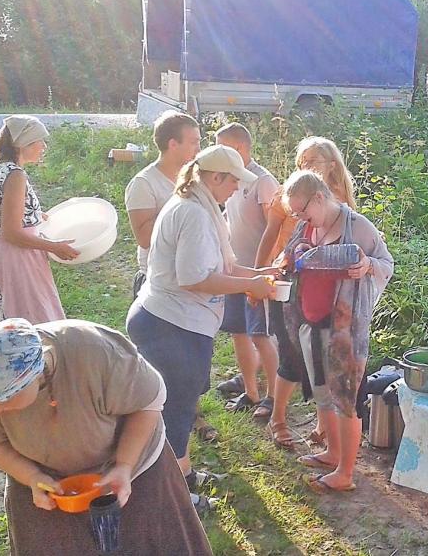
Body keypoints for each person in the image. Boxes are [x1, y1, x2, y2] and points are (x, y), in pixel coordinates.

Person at [0, 318, 213, 555]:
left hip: (135, 469)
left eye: (4, 399)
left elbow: (148, 401)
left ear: (35, 374)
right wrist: (30, 476)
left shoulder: (94, 351)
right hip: (49, 489)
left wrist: (124, 465)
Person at [125, 144, 276, 513]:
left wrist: (258, 276)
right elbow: (195, 278)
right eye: (233, 183)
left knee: (183, 405)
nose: (236, 190)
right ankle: (176, 501)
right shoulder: (192, 213)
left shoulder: (201, 207)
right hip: (170, 324)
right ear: (215, 178)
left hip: (175, 321)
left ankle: (184, 475)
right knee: (174, 409)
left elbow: (224, 265)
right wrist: (248, 287)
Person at [280, 170, 393, 492]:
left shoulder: (356, 226)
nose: (300, 218)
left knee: (346, 397)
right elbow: (289, 257)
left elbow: (386, 263)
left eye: (302, 210)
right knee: (322, 392)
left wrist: (368, 265)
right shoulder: (307, 226)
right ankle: (331, 453)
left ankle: (345, 473)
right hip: (311, 322)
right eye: (295, 213)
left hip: (344, 329)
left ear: (319, 197)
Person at [256, 137, 358, 449]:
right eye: (303, 162)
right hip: (288, 282)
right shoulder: (289, 193)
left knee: (318, 359)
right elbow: (270, 235)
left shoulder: (342, 202)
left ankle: (322, 425)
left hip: (320, 294)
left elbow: (355, 247)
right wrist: (257, 278)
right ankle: (279, 418)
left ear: (332, 162)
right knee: (290, 357)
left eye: (313, 160)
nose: (307, 166)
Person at [0, 115, 77, 323]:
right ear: (24, 144)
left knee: (17, 323)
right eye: (40, 140)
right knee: (35, 326)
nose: (44, 147)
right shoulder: (15, 175)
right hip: (16, 259)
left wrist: (34, 214)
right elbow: (11, 233)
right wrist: (54, 246)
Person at [211, 123, 281, 418]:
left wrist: (264, 270)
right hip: (234, 271)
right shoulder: (230, 180)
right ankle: (250, 391)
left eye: (222, 148)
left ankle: (273, 396)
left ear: (239, 148)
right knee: (239, 332)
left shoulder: (263, 182)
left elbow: (277, 228)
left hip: (257, 273)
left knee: (261, 336)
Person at [124, 111, 201, 299]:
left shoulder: (198, 179)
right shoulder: (143, 183)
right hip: (156, 282)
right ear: (173, 144)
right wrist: (181, 209)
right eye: (193, 142)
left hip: (191, 278)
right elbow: (143, 238)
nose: (199, 148)